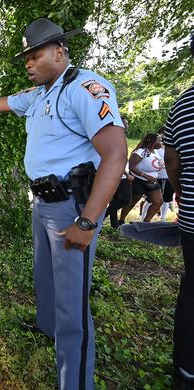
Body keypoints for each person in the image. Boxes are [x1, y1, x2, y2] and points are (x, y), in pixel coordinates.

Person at [0, 18, 127, 390]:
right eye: (25, 58)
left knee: (72, 306)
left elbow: (115, 156)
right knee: (44, 279)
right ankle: (47, 327)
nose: (28, 64)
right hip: (43, 205)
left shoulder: (85, 88)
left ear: (60, 52)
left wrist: (88, 222)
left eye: (35, 55)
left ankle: (76, 382)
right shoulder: (40, 94)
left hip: (71, 208)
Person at [162, 32, 194, 389]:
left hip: (193, 217)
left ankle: (185, 371)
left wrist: (184, 190)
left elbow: (173, 159)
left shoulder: (183, 104)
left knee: (192, 292)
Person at [118, 133, 164, 223]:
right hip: (139, 181)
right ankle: (121, 221)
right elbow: (131, 166)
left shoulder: (156, 152)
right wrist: (145, 175)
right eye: (159, 140)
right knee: (131, 203)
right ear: (152, 142)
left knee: (158, 202)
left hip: (152, 182)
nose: (161, 142)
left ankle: (145, 222)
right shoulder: (142, 151)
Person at [105, 117, 134, 228]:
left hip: (120, 173)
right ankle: (100, 217)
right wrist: (126, 174)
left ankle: (114, 224)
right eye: (125, 123)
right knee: (125, 200)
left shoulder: (121, 137)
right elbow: (115, 159)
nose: (127, 126)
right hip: (119, 174)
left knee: (115, 200)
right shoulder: (114, 138)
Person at [142, 127, 175, 222]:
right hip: (156, 177)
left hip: (169, 177)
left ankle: (162, 218)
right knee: (150, 199)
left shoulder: (173, 147)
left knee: (167, 199)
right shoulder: (155, 148)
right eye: (163, 134)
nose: (165, 136)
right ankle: (143, 217)